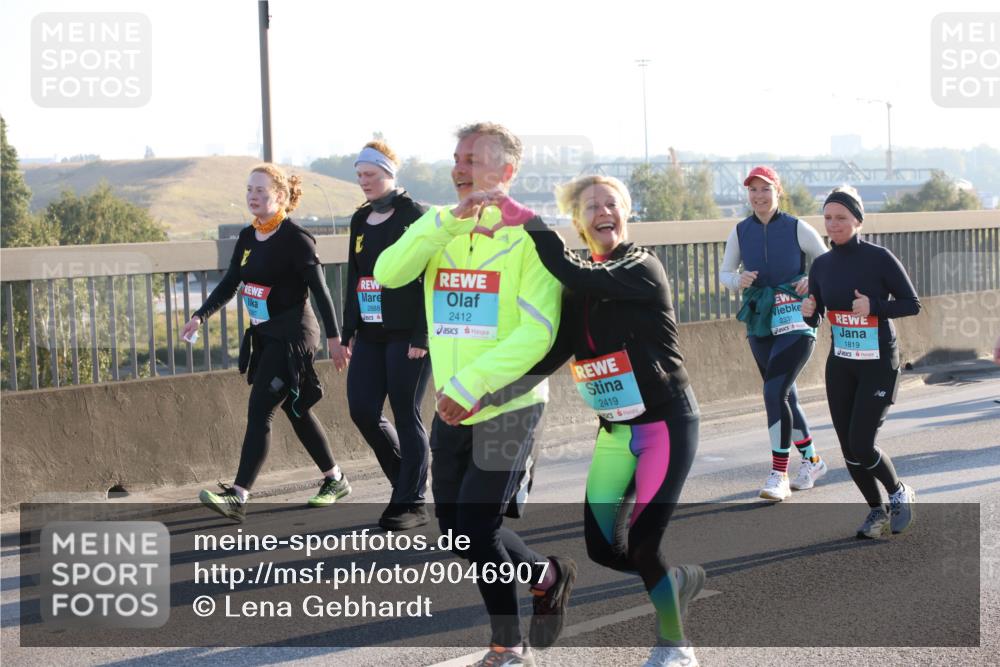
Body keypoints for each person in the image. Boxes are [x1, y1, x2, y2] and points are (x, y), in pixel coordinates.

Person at [373, 122, 575, 667]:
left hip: (507, 404)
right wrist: (440, 225)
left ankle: (508, 645)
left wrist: (469, 386)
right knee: (459, 534)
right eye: (457, 158)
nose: (459, 169)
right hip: (450, 407)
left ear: (506, 171)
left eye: (473, 159)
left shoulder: (532, 236)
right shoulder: (441, 226)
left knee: (480, 525)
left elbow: (537, 332)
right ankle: (545, 574)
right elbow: (388, 273)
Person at [483, 175, 705, 667]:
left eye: (612, 204)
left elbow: (577, 273)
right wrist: (494, 393)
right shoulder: (579, 280)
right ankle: (673, 582)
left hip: (665, 426)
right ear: (579, 220)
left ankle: (676, 645)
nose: (603, 212)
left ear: (626, 213)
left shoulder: (640, 266)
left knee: (646, 546)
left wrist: (525, 219)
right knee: (605, 549)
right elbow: (559, 348)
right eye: (590, 207)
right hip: (615, 429)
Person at [184, 164, 352, 522]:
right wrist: (200, 315)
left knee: (261, 408)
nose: (253, 197)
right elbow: (231, 282)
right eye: (248, 190)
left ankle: (238, 495)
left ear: (280, 196)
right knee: (296, 408)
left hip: (294, 335)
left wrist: (336, 338)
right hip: (266, 334)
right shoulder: (247, 237)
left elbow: (321, 290)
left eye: (260, 190)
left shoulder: (296, 238)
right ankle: (335, 479)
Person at [801, 185, 920, 538]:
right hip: (842, 362)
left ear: (857, 220)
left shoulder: (879, 258)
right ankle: (875, 511)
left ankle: (899, 492)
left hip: (879, 361)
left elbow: (911, 304)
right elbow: (816, 315)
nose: (833, 224)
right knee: (848, 448)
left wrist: (875, 307)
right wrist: (810, 313)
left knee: (862, 443)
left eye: (841, 218)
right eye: (828, 218)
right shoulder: (821, 265)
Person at [720, 166, 829, 501]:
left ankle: (778, 474)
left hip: (796, 318)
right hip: (760, 319)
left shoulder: (797, 227)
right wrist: (737, 280)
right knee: (785, 396)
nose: (758, 196)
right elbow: (725, 272)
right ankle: (812, 462)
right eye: (752, 190)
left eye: (765, 189)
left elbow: (826, 262)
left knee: (773, 392)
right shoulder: (740, 231)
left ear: (777, 191)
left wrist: (813, 280)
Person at [342, 140, 432, 531]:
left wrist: (423, 334)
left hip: (408, 334)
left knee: (405, 412)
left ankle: (411, 501)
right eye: (360, 175)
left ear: (389, 174)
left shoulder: (416, 216)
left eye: (371, 175)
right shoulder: (360, 220)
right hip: (370, 331)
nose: (364, 181)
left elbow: (433, 278)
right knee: (362, 408)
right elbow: (354, 275)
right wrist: (346, 331)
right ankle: (406, 481)